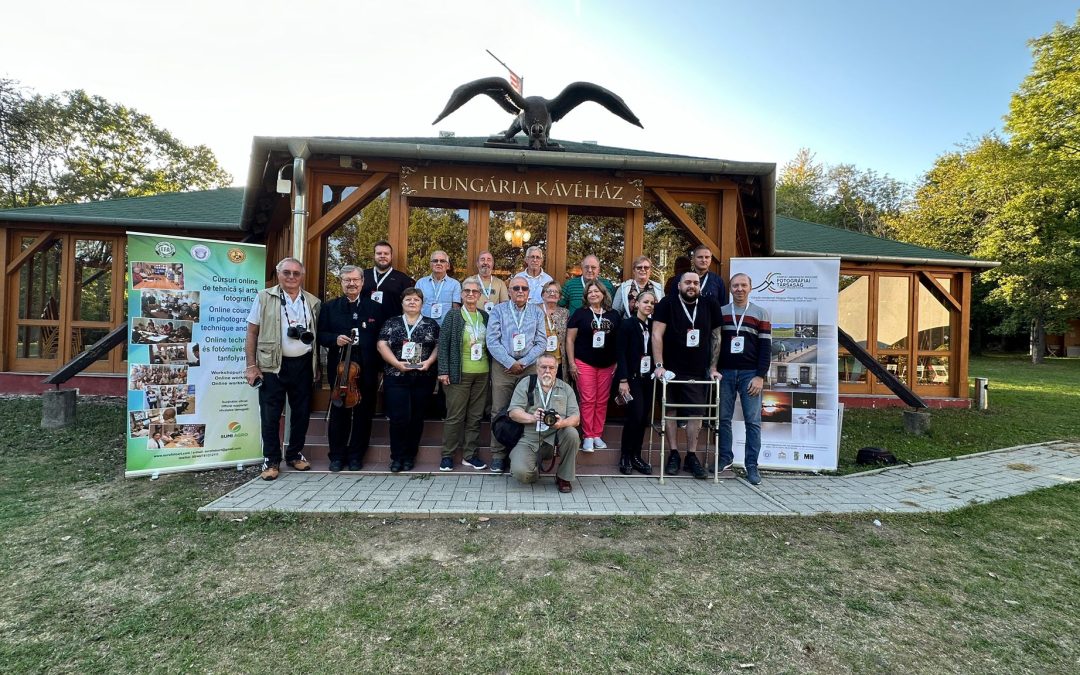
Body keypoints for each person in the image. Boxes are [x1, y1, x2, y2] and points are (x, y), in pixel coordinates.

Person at [245, 257, 322, 481]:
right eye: (286, 272)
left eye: (296, 273)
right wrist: (251, 365)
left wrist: (316, 365)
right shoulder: (264, 297)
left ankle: (295, 454)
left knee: (301, 413)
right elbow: (252, 332)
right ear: (278, 274)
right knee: (270, 414)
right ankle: (271, 460)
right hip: (272, 365)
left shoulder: (312, 301)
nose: (291, 277)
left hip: (303, 364)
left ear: (302, 276)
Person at [316, 265, 387, 472]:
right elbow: (320, 335)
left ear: (362, 282)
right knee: (339, 411)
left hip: (367, 366)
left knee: (364, 412)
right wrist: (334, 339)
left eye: (355, 280)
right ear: (341, 282)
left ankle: (357, 456)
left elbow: (381, 338)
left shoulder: (374, 308)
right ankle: (337, 456)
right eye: (347, 280)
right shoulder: (330, 307)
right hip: (340, 367)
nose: (351, 284)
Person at [651, 271, 721, 479]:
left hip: (698, 369)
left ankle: (691, 455)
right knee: (671, 411)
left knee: (696, 413)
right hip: (671, 369)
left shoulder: (710, 305)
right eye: (687, 282)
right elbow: (656, 334)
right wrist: (659, 364)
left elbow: (717, 337)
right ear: (679, 285)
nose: (692, 286)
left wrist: (713, 367)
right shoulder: (667, 303)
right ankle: (673, 453)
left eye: (696, 283)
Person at [714, 273, 772, 486]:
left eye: (743, 285)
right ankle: (725, 458)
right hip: (726, 373)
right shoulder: (721, 313)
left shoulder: (760, 314)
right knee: (723, 419)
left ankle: (752, 466)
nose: (739, 289)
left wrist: (760, 376)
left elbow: (766, 348)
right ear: (730, 289)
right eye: (735, 285)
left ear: (750, 287)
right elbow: (715, 344)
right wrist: (714, 368)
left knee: (753, 422)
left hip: (750, 375)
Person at [485, 277, 548, 473]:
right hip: (503, 367)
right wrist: (510, 362)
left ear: (529, 292)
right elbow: (492, 340)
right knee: (498, 410)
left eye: (524, 288)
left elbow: (541, 342)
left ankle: (522, 453)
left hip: (528, 367)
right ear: (509, 291)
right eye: (516, 288)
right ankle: (498, 454)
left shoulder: (537, 312)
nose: (520, 291)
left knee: (528, 410)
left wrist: (523, 362)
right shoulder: (498, 310)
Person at [377, 288, 439, 472]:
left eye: (416, 300)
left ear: (422, 303)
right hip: (396, 376)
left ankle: (409, 456)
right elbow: (381, 345)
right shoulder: (391, 322)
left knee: (416, 418)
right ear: (402, 302)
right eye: (408, 299)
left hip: (423, 377)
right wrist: (396, 363)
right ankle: (397, 457)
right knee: (398, 418)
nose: (412, 302)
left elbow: (438, 345)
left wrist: (429, 362)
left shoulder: (431, 323)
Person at [507, 353, 581, 493]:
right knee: (521, 473)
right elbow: (513, 412)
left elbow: (576, 418)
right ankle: (533, 471)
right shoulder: (526, 384)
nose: (547, 371)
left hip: (556, 439)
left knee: (572, 433)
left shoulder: (565, 388)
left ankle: (563, 477)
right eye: (543, 367)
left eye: (551, 368)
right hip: (530, 439)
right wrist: (532, 417)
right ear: (537, 368)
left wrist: (562, 423)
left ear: (556, 369)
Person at [437, 279, 490, 471]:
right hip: (458, 374)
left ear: (479, 295)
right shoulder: (453, 315)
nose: (470, 294)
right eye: (466, 290)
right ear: (461, 294)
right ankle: (447, 455)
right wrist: (443, 370)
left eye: (475, 291)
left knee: (475, 416)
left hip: (482, 373)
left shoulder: (485, 316)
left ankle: (470, 455)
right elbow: (443, 345)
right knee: (455, 416)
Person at [565, 279, 620, 451]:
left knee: (602, 400)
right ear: (586, 296)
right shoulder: (580, 314)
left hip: (608, 364)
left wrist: (618, 362)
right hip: (584, 362)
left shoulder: (613, 315)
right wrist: (572, 363)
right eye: (590, 292)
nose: (593, 294)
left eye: (596, 291)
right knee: (588, 399)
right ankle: (587, 436)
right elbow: (570, 339)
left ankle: (597, 435)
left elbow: (619, 340)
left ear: (603, 294)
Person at [615, 289, 657, 475]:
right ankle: (625, 456)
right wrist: (623, 379)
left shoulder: (653, 325)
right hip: (631, 379)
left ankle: (637, 456)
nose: (649, 305)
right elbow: (621, 353)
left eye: (652, 303)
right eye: (645, 302)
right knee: (635, 416)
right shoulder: (627, 325)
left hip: (648, 379)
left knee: (643, 419)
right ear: (636, 304)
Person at [363, 240, 414, 316]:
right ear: (374, 255)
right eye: (379, 253)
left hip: (391, 325)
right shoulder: (362, 275)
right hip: (365, 325)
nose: (382, 256)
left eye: (386, 253)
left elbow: (409, 305)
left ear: (391, 256)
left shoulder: (402, 278)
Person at [416, 250, 461, 327]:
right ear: (430, 264)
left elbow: (456, 309)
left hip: (446, 327)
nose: (438, 263)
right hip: (423, 326)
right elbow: (416, 305)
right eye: (435, 261)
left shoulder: (455, 284)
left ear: (448, 265)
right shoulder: (420, 283)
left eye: (442, 261)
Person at [613, 255, 664, 319]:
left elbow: (663, 311)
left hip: (652, 327)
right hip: (630, 326)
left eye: (646, 267)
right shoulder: (624, 287)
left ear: (650, 271)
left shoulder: (658, 288)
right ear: (634, 271)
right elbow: (615, 311)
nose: (643, 269)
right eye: (639, 267)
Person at [539, 280, 568, 372]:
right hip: (538, 360)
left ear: (559, 297)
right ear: (543, 295)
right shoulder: (533, 310)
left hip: (558, 361)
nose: (552, 294)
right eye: (548, 291)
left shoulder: (565, 313)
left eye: (556, 292)